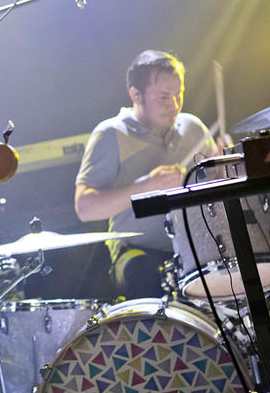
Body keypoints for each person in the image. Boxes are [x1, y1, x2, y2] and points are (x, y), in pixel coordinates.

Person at [74, 50, 220, 300]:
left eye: (178, 94)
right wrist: (144, 186)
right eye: (163, 97)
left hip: (197, 250)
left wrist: (224, 166)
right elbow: (85, 208)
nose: (173, 105)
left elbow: (217, 186)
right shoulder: (110, 134)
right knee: (143, 276)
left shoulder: (193, 127)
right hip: (137, 253)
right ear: (135, 94)